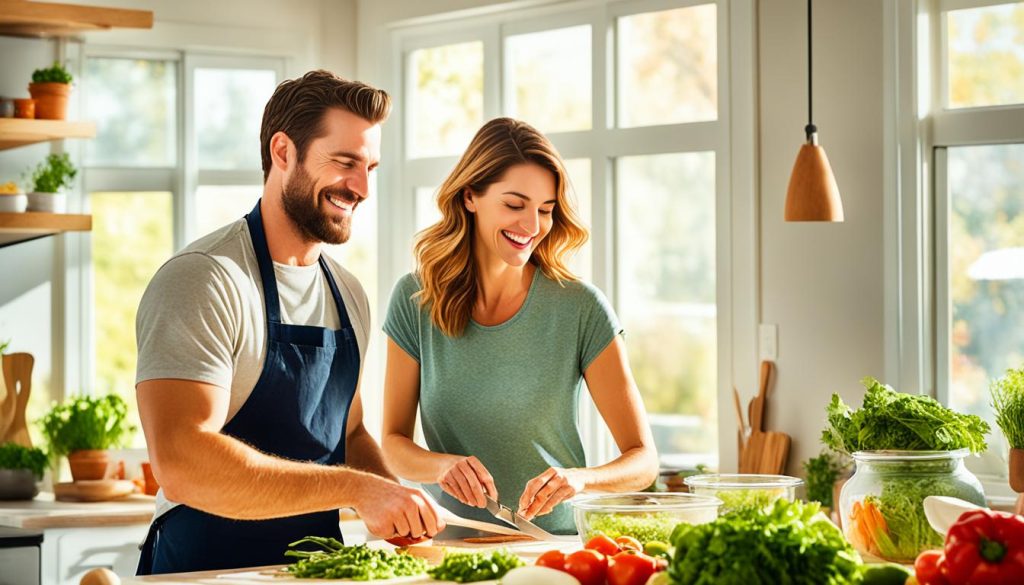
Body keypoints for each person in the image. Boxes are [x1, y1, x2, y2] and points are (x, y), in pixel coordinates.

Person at [134, 70, 443, 575]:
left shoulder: (348, 293)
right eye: (344, 162)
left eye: (370, 167)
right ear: (283, 153)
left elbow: (353, 432)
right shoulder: (206, 280)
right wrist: (357, 489)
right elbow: (181, 460)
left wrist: (400, 500)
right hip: (205, 571)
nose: (362, 187)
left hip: (317, 570)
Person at [381, 117, 659, 535]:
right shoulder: (415, 299)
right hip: (451, 545)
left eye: (545, 210)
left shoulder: (580, 308)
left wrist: (580, 479)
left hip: (553, 545)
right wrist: (443, 466)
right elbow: (392, 443)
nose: (532, 227)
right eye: (515, 205)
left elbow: (644, 460)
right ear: (471, 195)